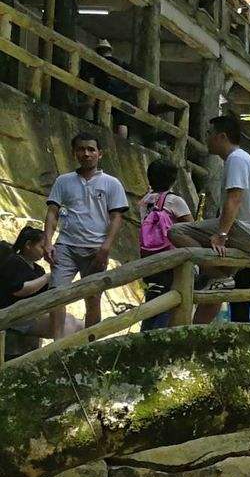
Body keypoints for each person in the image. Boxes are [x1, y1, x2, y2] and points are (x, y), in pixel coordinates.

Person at [170, 116, 250, 323]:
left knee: (176, 232)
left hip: (242, 231)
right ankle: (197, 333)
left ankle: (218, 276)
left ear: (222, 136)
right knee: (217, 287)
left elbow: (234, 200)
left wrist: (221, 234)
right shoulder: (241, 159)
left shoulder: (236, 159)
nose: (206, 138)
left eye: (209, 134)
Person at [44, 130, 129, 335]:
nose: (86, 153)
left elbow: (117, 217)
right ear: (74, 153)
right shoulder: (63, 181)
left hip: (95, 248)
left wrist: (106, 248)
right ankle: (58, 346)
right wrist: (48, 242)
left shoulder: (111, 183)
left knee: (93, 298)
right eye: (81, 149)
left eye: (91, 149)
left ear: (100, 154)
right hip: (66, 246)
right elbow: (52, 212)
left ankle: (88, 345)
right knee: (56, 295)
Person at [136, 159, 192, 329]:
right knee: (168, 300)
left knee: (153, 297)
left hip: (148, 254)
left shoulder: (144, 200)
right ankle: (157, 337)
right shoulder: (175, 201)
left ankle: (144, 336)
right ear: (173, 179)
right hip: (169, 256)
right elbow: (190, 225)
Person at [2, 226, 51, 359]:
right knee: (68, 324)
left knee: (73, 322)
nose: (44, 251)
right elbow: (19, 290)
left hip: (30, 315)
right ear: (28, 245)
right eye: (41, 247)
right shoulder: (14, 261)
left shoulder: (39, 270)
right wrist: (46, 278)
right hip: (14, 317)